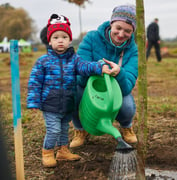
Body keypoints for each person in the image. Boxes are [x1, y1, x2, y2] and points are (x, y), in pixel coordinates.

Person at [26, 14, 119, 168]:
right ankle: (47, 152)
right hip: (50, 104)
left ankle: (63, 151)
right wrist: (33, 100)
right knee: (54, 130)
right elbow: (35, 82)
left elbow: (85, 66)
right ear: (49, 41)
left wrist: (99, 68)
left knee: (63, 129)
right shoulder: (43, 61)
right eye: (56, 37)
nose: (60, 40)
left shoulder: (74, 59)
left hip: (68, 103)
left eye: (64, 37)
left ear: (70, 40)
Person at [70, 5, 138, 148]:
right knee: (73, 95)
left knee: (127, 105)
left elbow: (127, 87)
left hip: (116, 89)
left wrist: (119, 73)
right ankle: (80, 129)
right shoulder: (92, 38)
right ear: (111, 23)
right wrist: (97, 69)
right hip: (89, 86)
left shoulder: (132, 50)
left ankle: (126, 127)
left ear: (132, 32)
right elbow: (78, 70)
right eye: (118, 28)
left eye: (127, 31)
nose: (121, 34)